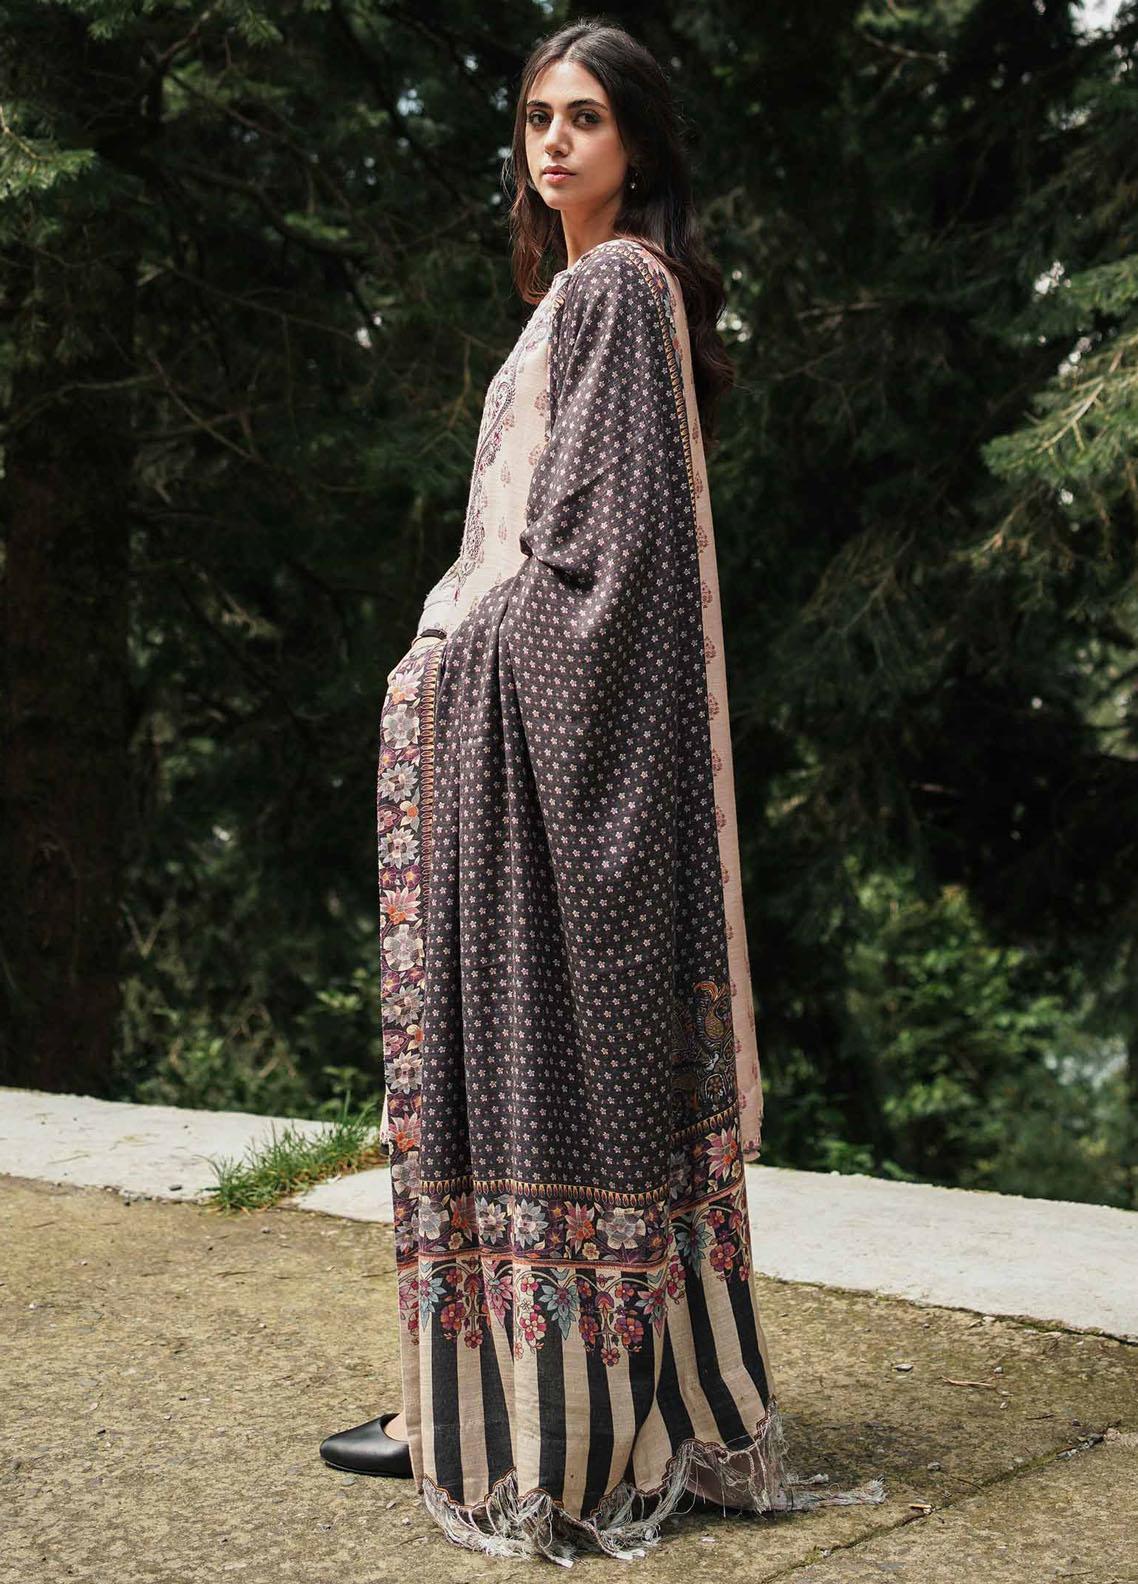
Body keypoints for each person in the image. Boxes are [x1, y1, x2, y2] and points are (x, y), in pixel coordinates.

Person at [319, 19, 887, 1564]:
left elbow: (600, 565)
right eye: (534, 118)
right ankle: (486, 1405)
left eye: (585, 117)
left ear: (637, 145)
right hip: (506, 745)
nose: (553, 141)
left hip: (535, 744)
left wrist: (448, 660)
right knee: (505, 1070)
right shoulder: (584, 299)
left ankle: (537, 1428)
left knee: (524, 1060)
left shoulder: (617, 290)